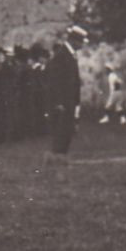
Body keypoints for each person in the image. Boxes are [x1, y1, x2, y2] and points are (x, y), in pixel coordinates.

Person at [46, 26, 88, 157]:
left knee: (67, 130)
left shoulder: (70, 55)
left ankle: (61, 156)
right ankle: (57, 156)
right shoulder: (61, 55)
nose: (82, 45)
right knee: (61, 130)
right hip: (63, 101)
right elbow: (55, 81)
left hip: (69, 100)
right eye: (81, 42)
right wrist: (58, 101)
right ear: (74, 40)